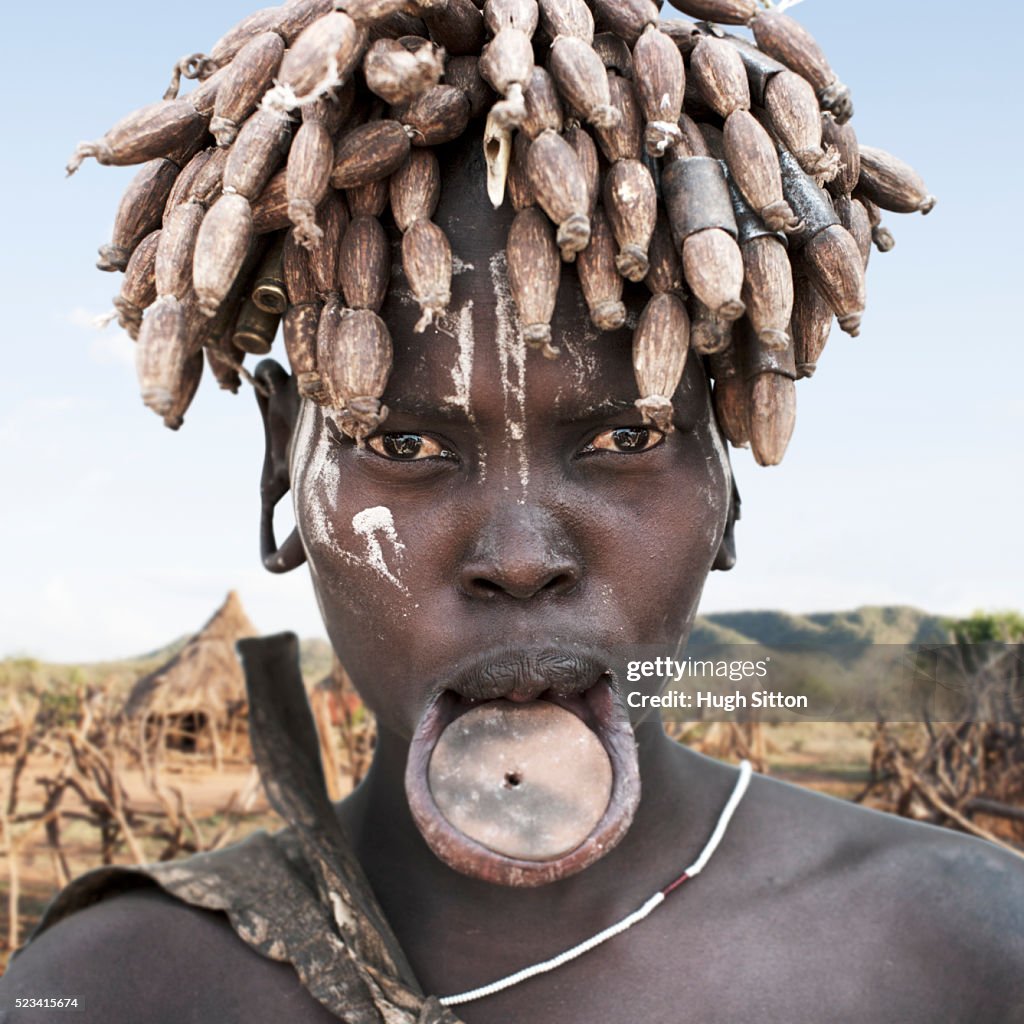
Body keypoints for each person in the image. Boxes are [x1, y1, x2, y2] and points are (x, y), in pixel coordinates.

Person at [4, 3, 1024, 1021]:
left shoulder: (969, 958)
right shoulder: (110, 989)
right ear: (281, 474)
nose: (522, 557)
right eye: (403, 445)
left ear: (729, 480)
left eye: (626, 438)